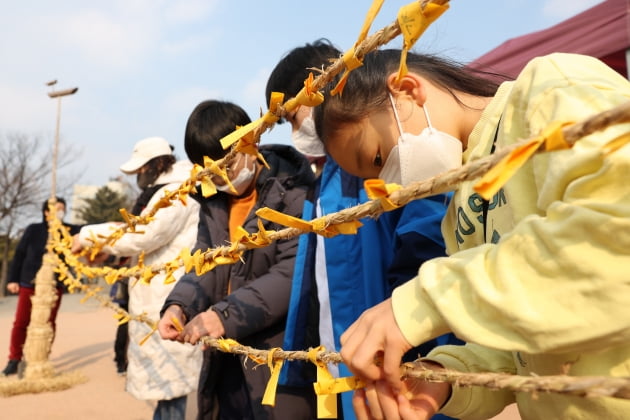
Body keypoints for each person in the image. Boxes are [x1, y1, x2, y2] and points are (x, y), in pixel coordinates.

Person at [313, 50, 630, 419]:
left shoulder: (550, 87)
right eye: (377, 179)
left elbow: (612, 240)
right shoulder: (459, 205)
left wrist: (425, 301)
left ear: (407, 90)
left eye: (379, 158)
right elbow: (519, 340)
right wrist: (442, 377)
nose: (391, 185)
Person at [265, 40, 461, 419]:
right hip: (342, 360)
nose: (294, 131)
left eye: (292, 116)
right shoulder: (323, 178)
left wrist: (416, 342)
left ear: (321, 89)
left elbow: (427, 242)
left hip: (401, 361)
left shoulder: (389, 153)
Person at [157, 100, 316, 419]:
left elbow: (292, 272)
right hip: (227, 353)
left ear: (251, 141)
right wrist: (180, 305)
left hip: (278, 354)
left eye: (226, 166)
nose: (220, 180)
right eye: (210, 172)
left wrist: (224, 316)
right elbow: (204, 263)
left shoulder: (295, 189)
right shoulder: (213, 203)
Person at [72, 137, 202, 420]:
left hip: (169, 297)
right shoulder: (159, 192)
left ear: (156, 164)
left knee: (171, 385)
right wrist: (106, 253)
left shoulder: (177, 192)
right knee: (165, 385)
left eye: (140, 171)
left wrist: (87, 235)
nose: (138, 178)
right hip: (154, 296)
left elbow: (144, 234)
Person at [2, 197, 80, 377]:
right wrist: (12, 280)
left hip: (54, 285)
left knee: (48, 323)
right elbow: (20, 254)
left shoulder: (69, 230)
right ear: (46, 212)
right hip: (30, 282)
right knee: (21, 322)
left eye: (62, 209)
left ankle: (41, 357)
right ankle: (14, 359)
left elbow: (89, 229)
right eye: (56, 209)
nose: (59, 212)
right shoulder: (33, 230)